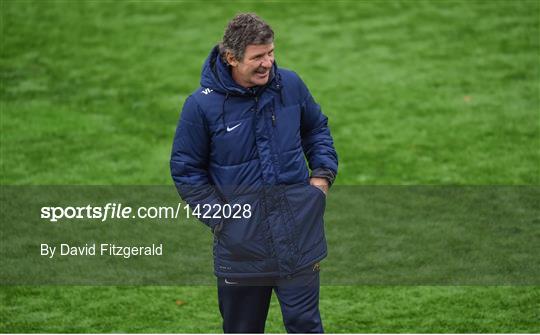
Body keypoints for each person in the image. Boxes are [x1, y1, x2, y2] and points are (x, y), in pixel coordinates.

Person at [170, 13, 338, 333]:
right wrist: (222, 220)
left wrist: (320, 180)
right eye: (258, 57)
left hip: (298, 239)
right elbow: (186, 170)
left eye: (271, 53)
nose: (268, 63)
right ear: (231, 58)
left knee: (306, 327)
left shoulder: (291, 84)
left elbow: (316, 130)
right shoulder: (200, 107)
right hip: (241, 250)